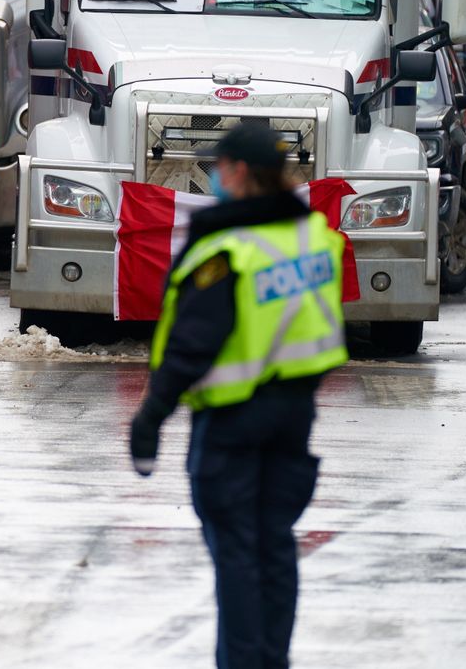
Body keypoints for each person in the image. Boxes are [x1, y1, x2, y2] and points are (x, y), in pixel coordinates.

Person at [128, 123, 347, 669]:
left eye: (219, 167)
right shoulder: (311, 236)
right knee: (274, 546)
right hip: (294, 415)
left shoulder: (227, 251)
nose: (214, 176)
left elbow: (191, 345)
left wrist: (150, 417)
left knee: (238, 557)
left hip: (233, 421)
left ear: (241, 172)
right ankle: (273, 660)